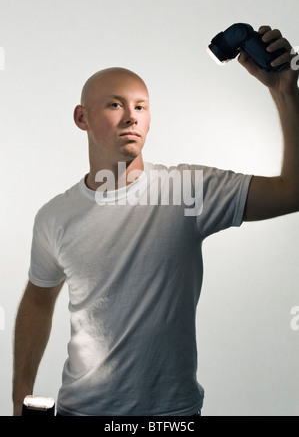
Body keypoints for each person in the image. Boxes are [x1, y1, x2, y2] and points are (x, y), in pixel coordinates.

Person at [13, 25, 299, 416]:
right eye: (115, 105)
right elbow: (38, 298)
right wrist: (20, 394)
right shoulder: (55, 216)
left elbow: (293, 190)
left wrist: (285, 93)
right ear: (82, 117)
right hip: (79, 410)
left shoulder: (188, 190)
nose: (131, 117)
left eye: (141, 106)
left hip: (171, 416)